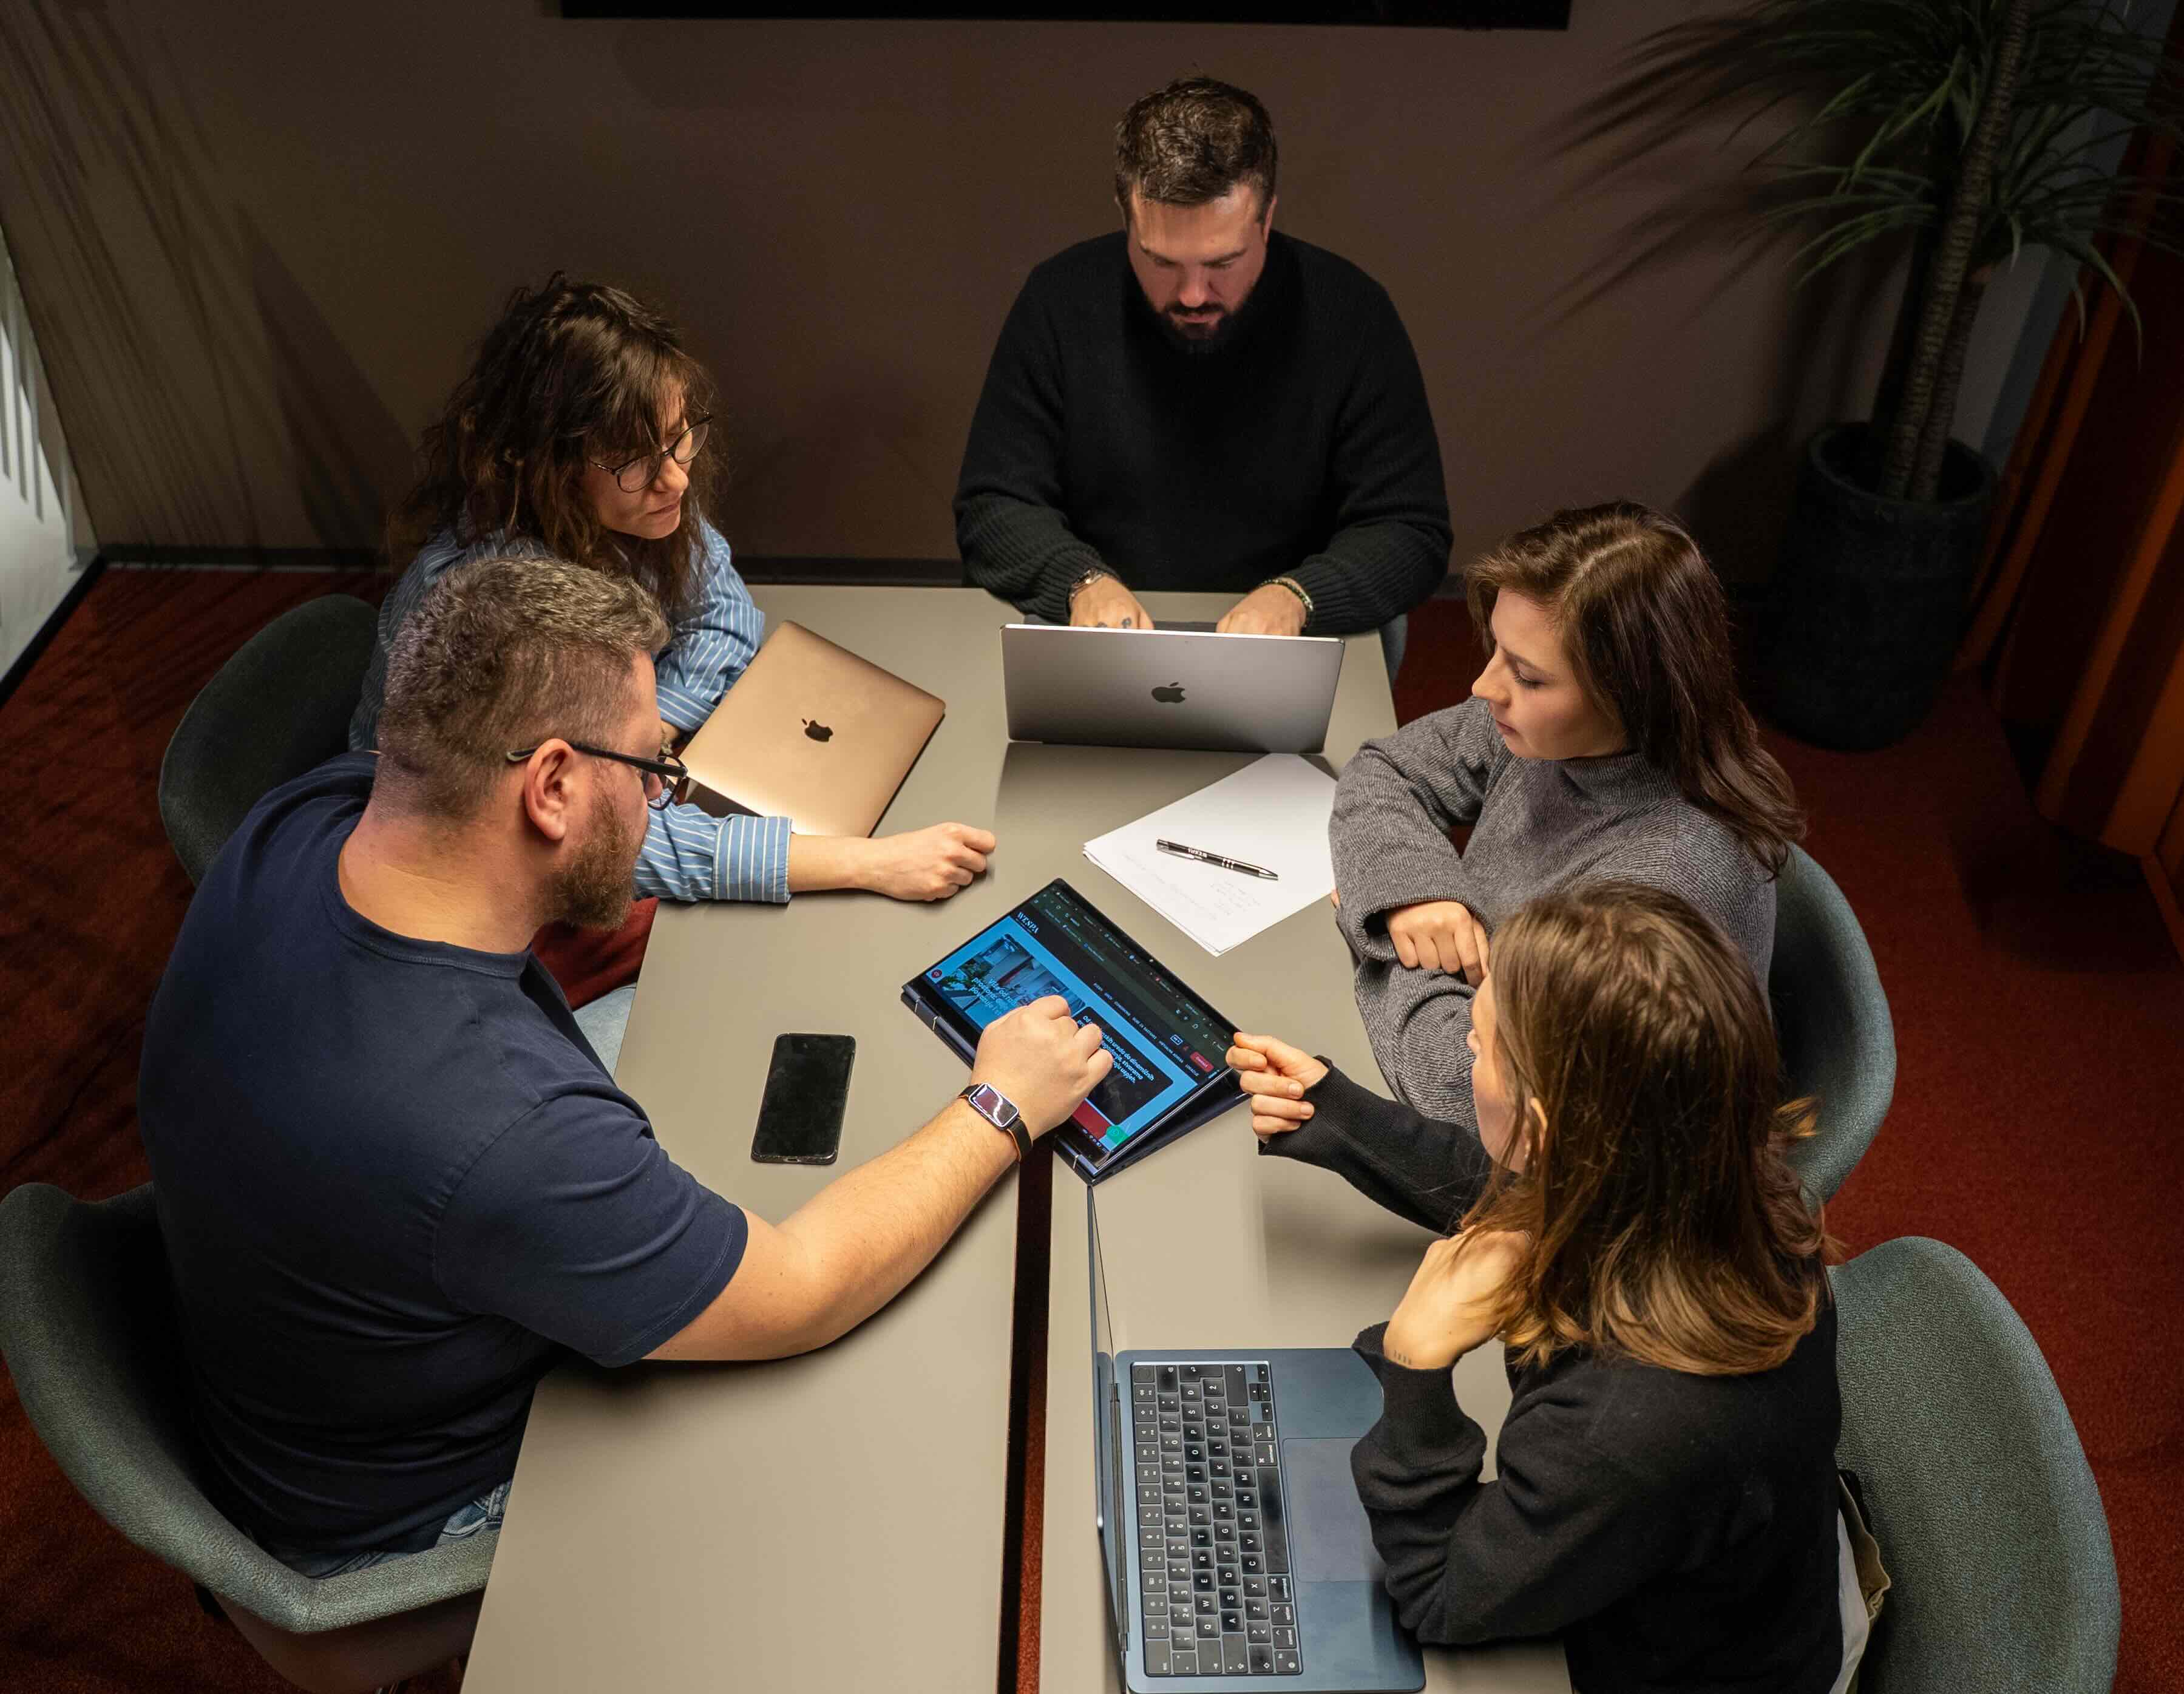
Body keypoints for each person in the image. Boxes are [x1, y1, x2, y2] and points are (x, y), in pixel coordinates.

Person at [140, 555, 1113, 1577]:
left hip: (309, 1364)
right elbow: (803, 1291)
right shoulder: (500, 1131)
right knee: (879, 1441)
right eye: (654, 770)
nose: (664, 798)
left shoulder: (304, 821)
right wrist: (1001, 1100)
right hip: (409, 1507)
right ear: (552, 784)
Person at [1228, 884, 1865, 1694]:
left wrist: (1416, 1361)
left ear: (1542, 1124)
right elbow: (1536, 1197)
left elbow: (1439, 1593)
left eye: (1484, 1041)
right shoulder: (1724, 1182)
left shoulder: (1622, 1424)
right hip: (1739, 1572)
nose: (1465, 1037)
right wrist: (1337, 1113)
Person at [353, 273, 990, 912]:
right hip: (467, 891)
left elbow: (725, 615)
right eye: (634, 460)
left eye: (681, 437)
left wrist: (652, 728)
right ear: (547, 462)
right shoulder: (491, 611)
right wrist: (864, 862)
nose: (677, 478)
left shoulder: (628, 508)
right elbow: (613, 844)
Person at [954, 76, 1450, 669]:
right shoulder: (1059, 301)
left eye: (1223, 262)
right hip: (1100, 620)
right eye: (1160, 261)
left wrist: (1298, 596)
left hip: (1290, 628)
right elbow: (993, 502)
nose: (1192, 294)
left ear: (1266, 219)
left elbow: (1408, 527)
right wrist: (1079, 581)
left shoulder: (1351, 313)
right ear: (1124, 216)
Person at [1331, 501, 1802, 1124]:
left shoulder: (1660, 887)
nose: (1484, 687)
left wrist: (1390, 939)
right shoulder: (1555, 731)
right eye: (1496, 649)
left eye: (1527, 676)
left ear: (1630, 689)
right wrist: (1417, 897)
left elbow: (1469, 1092)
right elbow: (1385, 770)